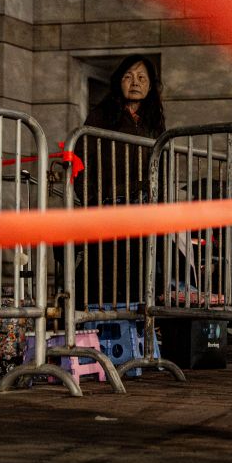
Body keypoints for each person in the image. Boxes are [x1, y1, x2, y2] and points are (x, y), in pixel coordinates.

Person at [74, 55, 168, 308]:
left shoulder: (154, 122)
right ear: (118, 83)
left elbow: (162, 166)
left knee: (140, 275)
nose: (135, 83)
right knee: (101, 274)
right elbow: (82, 160)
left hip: (143, 213)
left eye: (141, 78)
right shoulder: (101, 116)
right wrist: (91, 201)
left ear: (150, 85)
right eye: (128, 76)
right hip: (107, 209)